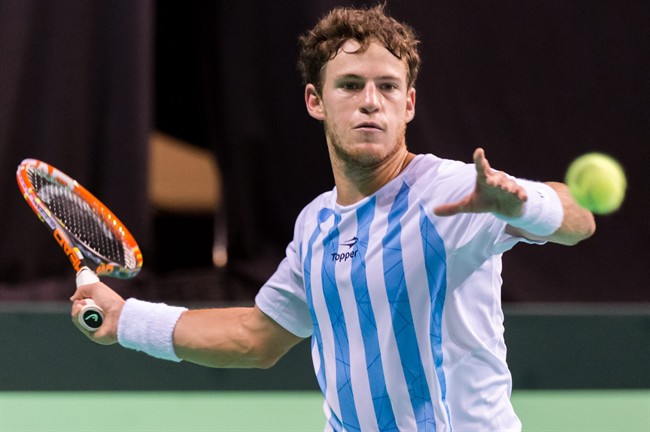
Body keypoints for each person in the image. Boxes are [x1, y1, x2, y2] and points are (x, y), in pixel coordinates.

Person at [71, 4, 595, 431]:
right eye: (350, 85)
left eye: (388, 86)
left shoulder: (450, 191)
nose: (371, 101)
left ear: (408, 104)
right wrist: (126, 321)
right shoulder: (316, 224)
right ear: (315, 100)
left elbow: (579, 218)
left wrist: (525, 204)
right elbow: (255, 338)